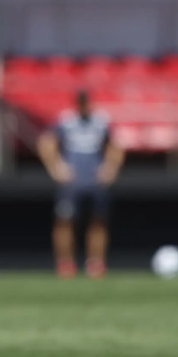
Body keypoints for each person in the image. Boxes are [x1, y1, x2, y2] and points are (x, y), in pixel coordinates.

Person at [37, 90, 124, 279]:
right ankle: (65, 264)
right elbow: (46, 142)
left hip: (96, 182)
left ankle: (96, 264)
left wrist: (110, 168)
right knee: (65, 222)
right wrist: (56, 167)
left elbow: (116, 145)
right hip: (72, 183)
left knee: (98, 221)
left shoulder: (101, 122)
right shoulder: (66, 121)